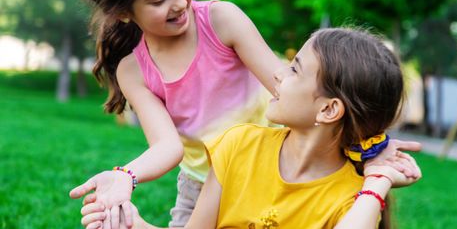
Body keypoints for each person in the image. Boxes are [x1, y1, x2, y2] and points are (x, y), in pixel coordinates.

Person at [79, 27, 423, 229]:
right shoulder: (239, 145)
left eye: (295, 70)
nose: (278, 73)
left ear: (329, 109)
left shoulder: (354, 198)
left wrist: (377, 183)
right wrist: (133, 224)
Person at [68, 0, 285, 228]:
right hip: (201, 183)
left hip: (273, 164)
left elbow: (285, 86)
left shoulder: (221, 20)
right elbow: (168, 147)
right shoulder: (135, 72)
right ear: (123, 12)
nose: (181, 2)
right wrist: (125, 175)